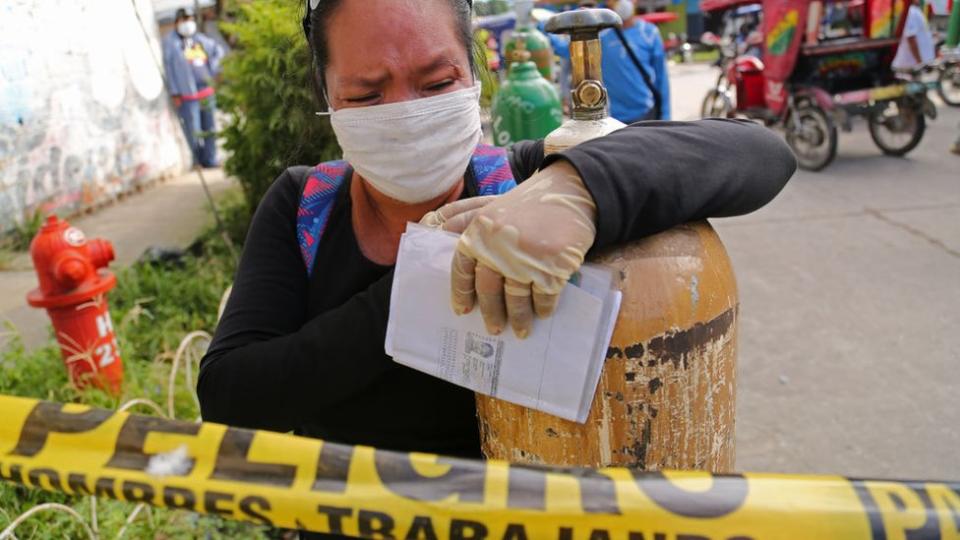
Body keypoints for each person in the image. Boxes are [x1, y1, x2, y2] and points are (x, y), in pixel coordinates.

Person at [197, 2, 795, 537]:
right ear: (326, 94)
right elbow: (232, 395)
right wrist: (431, 277)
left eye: (436, 81)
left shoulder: (524, 182)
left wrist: (575, 190)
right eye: (366, 94)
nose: (406, 113)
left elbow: (759, 154)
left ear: (476, 76)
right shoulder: (307, 207)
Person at [162, 7, 225, 168]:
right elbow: (169, 69)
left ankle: (210, 160)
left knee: (210, 128)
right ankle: (197, 161)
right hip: (187, 96)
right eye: (184, 20)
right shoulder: (171, 43)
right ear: (176, 23)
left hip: (206, 92)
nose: (188, 23)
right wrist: (175, 92)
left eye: (190, 19)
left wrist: (214, 70)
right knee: (193, 131)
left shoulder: (200, 40)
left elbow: (218, 51)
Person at [892, 0, 935, 71]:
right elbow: (911, 38)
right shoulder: (910, 12)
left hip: (916, 67)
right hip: (911, 68)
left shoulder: (915, 10)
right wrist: (920, 64)